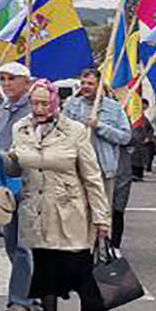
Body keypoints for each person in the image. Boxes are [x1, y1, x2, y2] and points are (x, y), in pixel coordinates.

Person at [6, 80, 109, 311]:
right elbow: (16, 168)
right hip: (37, 211)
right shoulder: (21, 129)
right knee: (45, 272)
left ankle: (88, 305)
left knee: (78, 268)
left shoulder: (75, 132)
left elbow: (92, 177)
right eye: (34, 103)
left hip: (69, 210)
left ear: (55, 102)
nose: (39, 108)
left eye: (44, 103)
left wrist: (101, 218)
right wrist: (5, 159)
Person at [0, 61, 41, 311]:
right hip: (3, 186)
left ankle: (20, 300)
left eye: (12, 78)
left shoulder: (37, 109)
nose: (6, 83)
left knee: (22, 244)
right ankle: (34, 293)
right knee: (10, 243)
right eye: (3, 78)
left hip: (30, 184)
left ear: (26, 82)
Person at [64, 68, 134, 248]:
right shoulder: (72, 105)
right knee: (77, 211)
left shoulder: (114, 108)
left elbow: (125, 137)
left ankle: (102, 249)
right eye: (83, 83)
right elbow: (61, 133)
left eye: (90, 83)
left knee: (102, 213)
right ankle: (81, 248)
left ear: (99, 85)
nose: (85, 87)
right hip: (77, 168)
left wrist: (100, 126)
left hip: (103, 169)